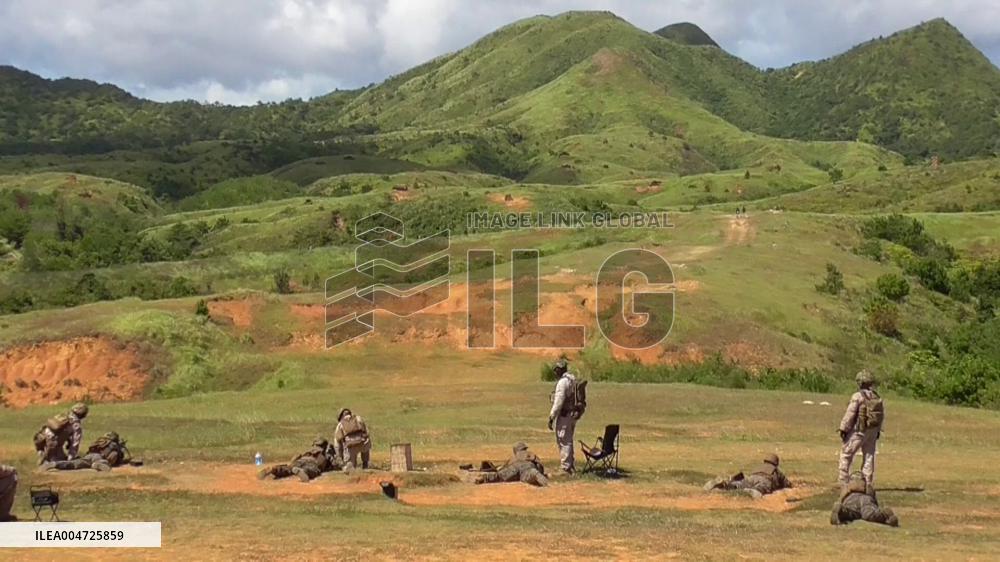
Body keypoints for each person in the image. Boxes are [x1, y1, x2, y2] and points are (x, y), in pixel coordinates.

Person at [838, 370, 884, 489]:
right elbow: (880, 415)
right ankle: (867, 482)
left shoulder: (858, 396)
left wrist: (843, 428)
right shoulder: (877, 397)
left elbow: (850, 413)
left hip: (859, 431)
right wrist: (878, 430)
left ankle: (843, 480)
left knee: (846, 454)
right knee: (869, 456)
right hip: (872, 431)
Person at [548, 359, 584, 474]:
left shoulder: (562, 382)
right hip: (573, 415)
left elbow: (558, 402)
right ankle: (570, 464)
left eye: (556, 370)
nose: (555, 372)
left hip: (565, 415)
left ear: (560, 370)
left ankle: (566, 468)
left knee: (563, 439)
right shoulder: (572, 379)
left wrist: (551, 417)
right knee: (568, 439)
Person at [703, 453, 792, 499]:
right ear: (776, 462)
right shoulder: (776, 470)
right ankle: (754, 491)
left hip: (751, 477)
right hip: (765, 480)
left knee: (740, 484)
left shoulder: (759, 466)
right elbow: (787, 484)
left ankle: (724, 485)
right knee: (761, 488)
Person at [831, 472, 899, 527]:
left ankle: (841, 510)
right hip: (865, 499)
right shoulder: (867, 486)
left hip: (851, 499)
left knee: (849, 513)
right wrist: (876, 507)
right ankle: (884, 514)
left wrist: (841, 503)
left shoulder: (847, 486)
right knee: (869, 514)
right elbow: (872, 497)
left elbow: (841, 498)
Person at [258, 437, 340, 482]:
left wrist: (292, 463)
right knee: (313, 470)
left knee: (289, 468)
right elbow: (335, 464)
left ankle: (274, 469)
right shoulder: (324, 454)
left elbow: (296, 456)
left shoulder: (308, 451)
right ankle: (303, 472)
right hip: (313, 463)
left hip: (301, 460)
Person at [43, 431, 130, 472]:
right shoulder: (113, 445)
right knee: (104, 462)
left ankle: (56, 464)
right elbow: (116, 457)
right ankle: (97, 465)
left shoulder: (100, 441)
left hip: (89, 456)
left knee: (74, 464)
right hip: (99, 458)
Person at [473, 442, 548, 487]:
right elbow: (540, 466)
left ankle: (484, 478)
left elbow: (503, 469)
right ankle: (548, 486)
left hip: (514, 467)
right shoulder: (530, 454)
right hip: (527, 468)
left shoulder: (514, 457)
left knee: (499, 477)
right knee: (535, 473)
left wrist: (495, 469)